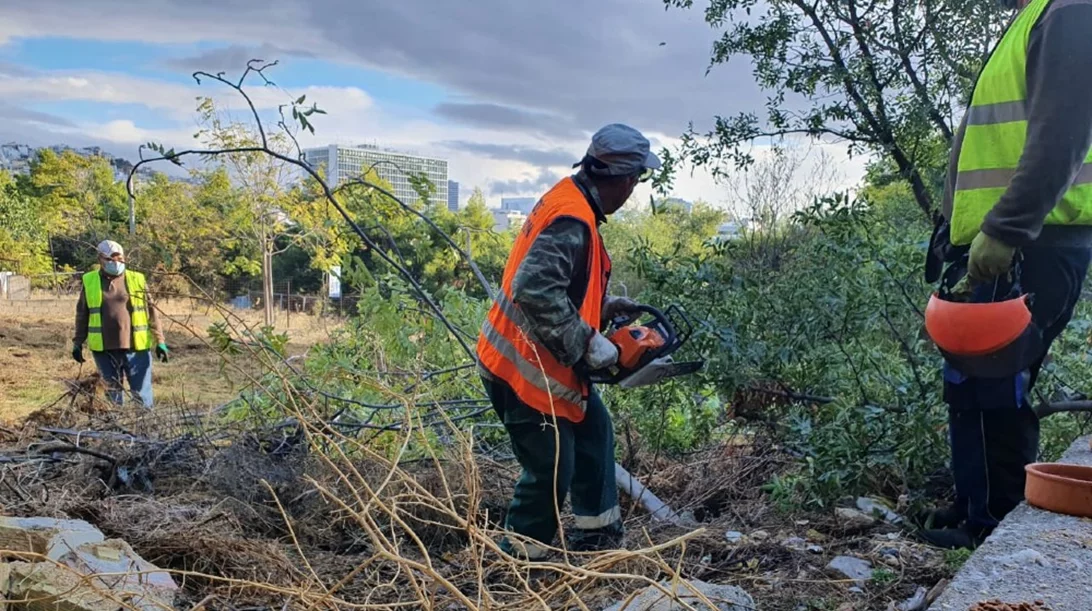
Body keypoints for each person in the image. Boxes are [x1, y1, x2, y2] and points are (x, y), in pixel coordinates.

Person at [920, 0, 1092, 549]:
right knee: (970, 381)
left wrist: (1007, 228)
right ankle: (974, 500)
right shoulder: (1036, 15)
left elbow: (1062, 132)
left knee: (997, 384)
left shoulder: (1069, 10)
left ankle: (991, 523)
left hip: (1028, 244)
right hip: (1001, 244)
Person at [476, 124, 660, 560]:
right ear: (624, 179)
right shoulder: (572, 219)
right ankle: (518, 561)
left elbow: (560, 285)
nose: (634, 188)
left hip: (543, 361)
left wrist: (603, 307)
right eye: (636, 179)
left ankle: (599, 539)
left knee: (595, 434)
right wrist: (590, 343)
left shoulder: (570, 199)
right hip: (523, 368)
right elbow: (534, 290)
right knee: (550, 469)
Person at [72, 240, 169, 408]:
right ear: (100, 259)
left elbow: (152, 312)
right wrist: (77, 342)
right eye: (110, 259)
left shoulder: (137, 279)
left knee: (142, 394)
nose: (115, 263)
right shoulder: (90, 281)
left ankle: (144, 423)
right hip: (104, 349)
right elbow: (82, 314)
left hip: (136, 348)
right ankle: (116, 423)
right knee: (112, 394)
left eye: (119, 258)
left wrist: (160, 340)